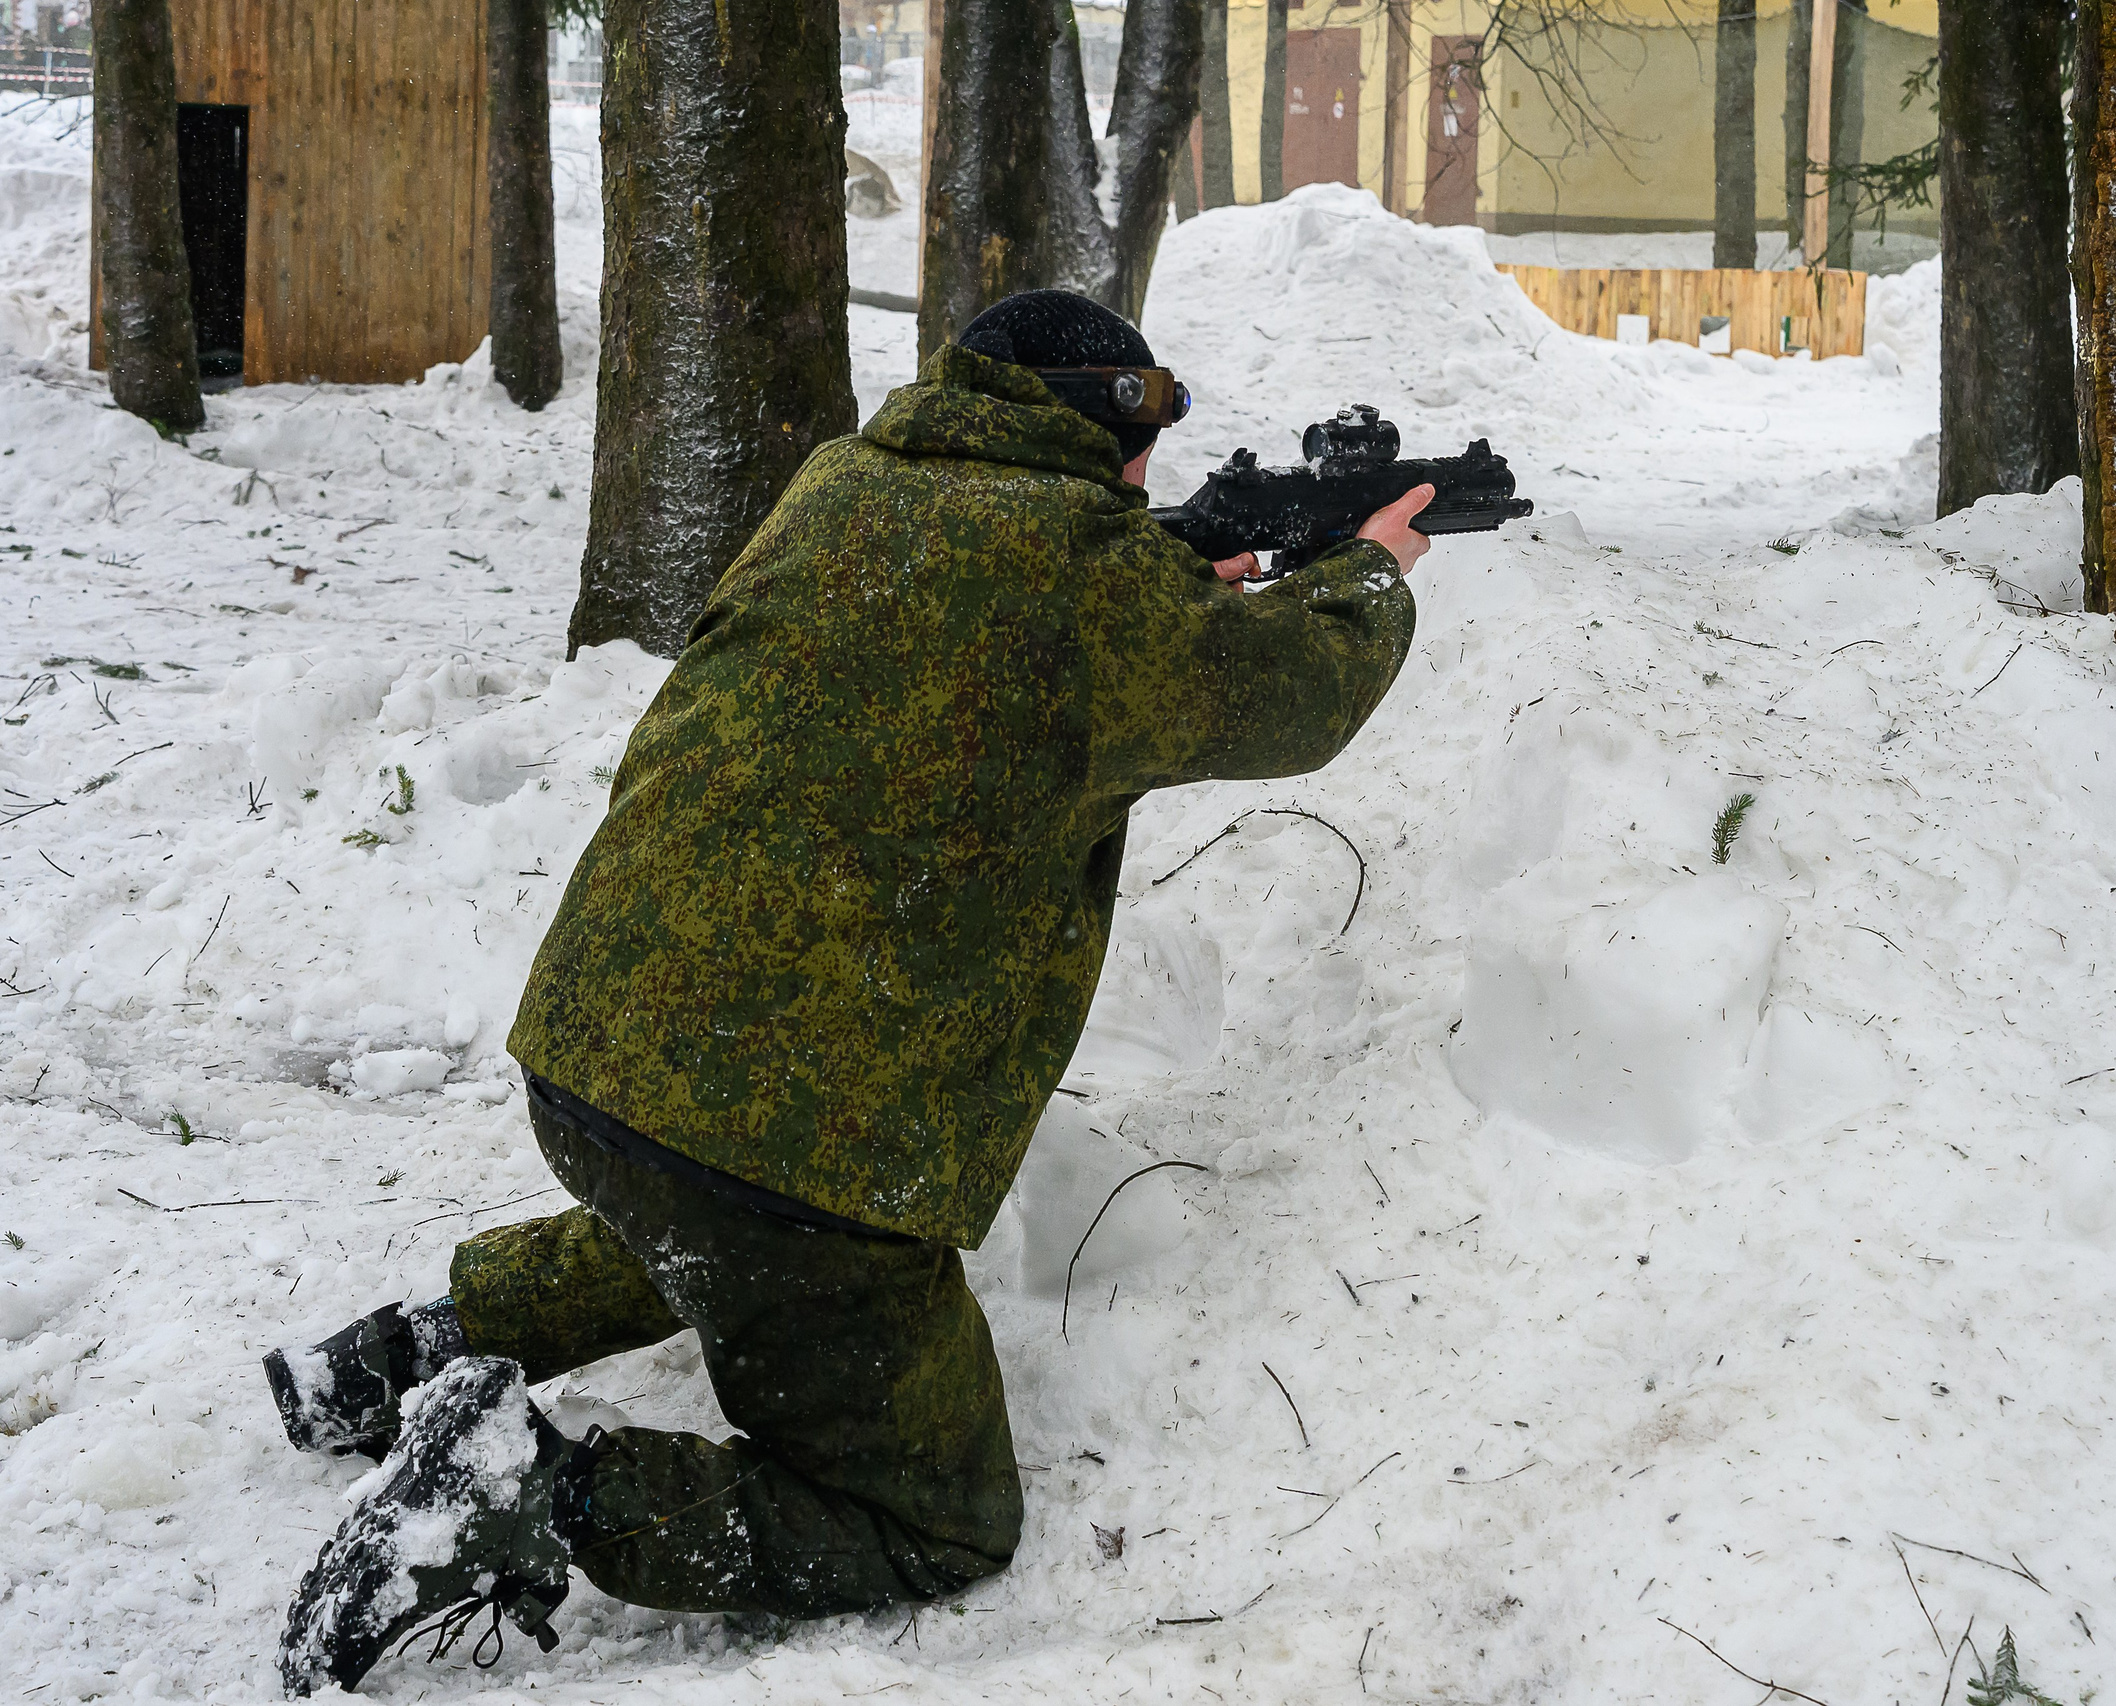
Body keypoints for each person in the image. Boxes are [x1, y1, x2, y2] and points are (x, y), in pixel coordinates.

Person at [266, 289, 1431, 1694]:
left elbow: (946, 628)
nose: (1149, 481)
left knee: (707, 1234)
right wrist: (1368, 568)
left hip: (593, 1058)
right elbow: (1299, 693)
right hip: (792, 1167)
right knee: (935, 1517)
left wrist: (1165, 578)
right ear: (1095, 431)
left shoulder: (842, 486)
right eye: (1139, 444)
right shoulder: (1092, 586)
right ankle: (533, 1486)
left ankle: (398, 1354)